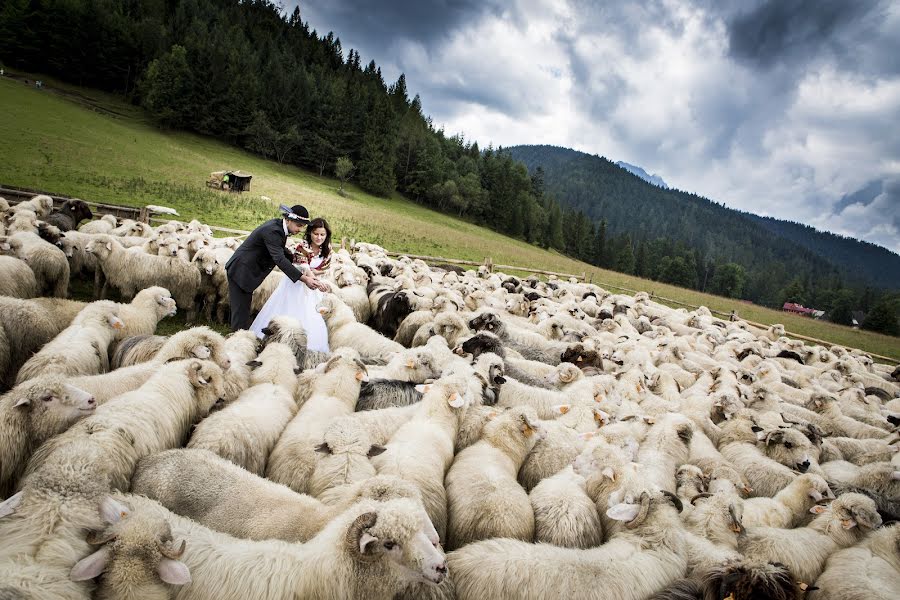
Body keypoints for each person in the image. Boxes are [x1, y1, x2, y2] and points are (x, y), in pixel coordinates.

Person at [224, 204, 319, 332]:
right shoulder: (273, 231)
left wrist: (297, 256)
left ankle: (237, 337)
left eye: (302, 226)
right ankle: (236, 343)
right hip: (242, 271)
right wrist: (304, 279)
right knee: (241, 314)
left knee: (242, 311)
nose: (300, 230)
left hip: (246, 271)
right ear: (289, 219)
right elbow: (279, 259)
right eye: (298, 225)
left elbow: (279, 248)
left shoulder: (279, 227)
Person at [249, 218, 333, 352]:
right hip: (297, 285)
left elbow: (323, 269)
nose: (319, 237)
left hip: (313, 288)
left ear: (326, 235)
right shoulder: (302, 247)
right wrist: (317, 281)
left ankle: (308, 348)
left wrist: (319, 281)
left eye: (322, 235)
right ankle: (276, 342)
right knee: (290, 312)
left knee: (313, 316)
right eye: (316, 234)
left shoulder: (327, 250)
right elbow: (306, 269)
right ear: (310, 233)